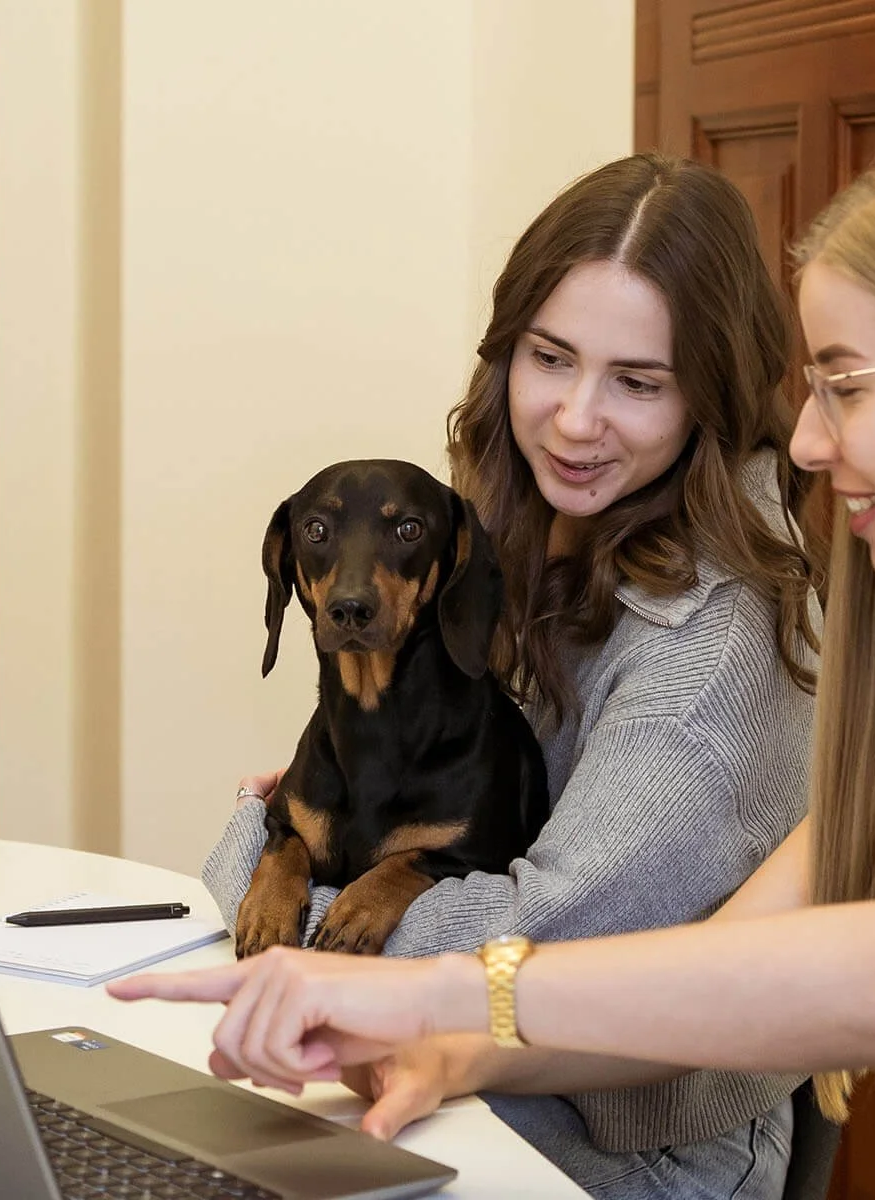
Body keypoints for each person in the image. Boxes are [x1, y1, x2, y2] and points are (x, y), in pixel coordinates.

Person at [113, 134, 875, 1200]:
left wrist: (426, 991)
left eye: (843, 386)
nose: (799, 438)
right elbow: (728, 972)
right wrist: (461, 1043)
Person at [189, 153, 822, 1199]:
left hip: (625, 1155)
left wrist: (268, 863)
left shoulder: (705, 663)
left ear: (710, 395)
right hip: (462, 1073)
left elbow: (531, 956)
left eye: (637, 381)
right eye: (550, 357)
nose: (574, 419)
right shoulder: (535, 527)